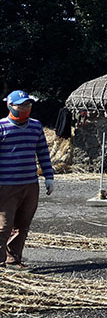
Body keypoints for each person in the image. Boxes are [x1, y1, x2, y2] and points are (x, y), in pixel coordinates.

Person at [0, 90, 54, 271]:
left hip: (30, 184)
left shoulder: (36, 126)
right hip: (6, 185)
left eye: (28, 105)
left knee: (22, 225)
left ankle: (13, 260)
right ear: (9, 106)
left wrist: (49, 177)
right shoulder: (1, 127)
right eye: (20, 105)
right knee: (4, 225)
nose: (25, 108)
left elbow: (43, 153)